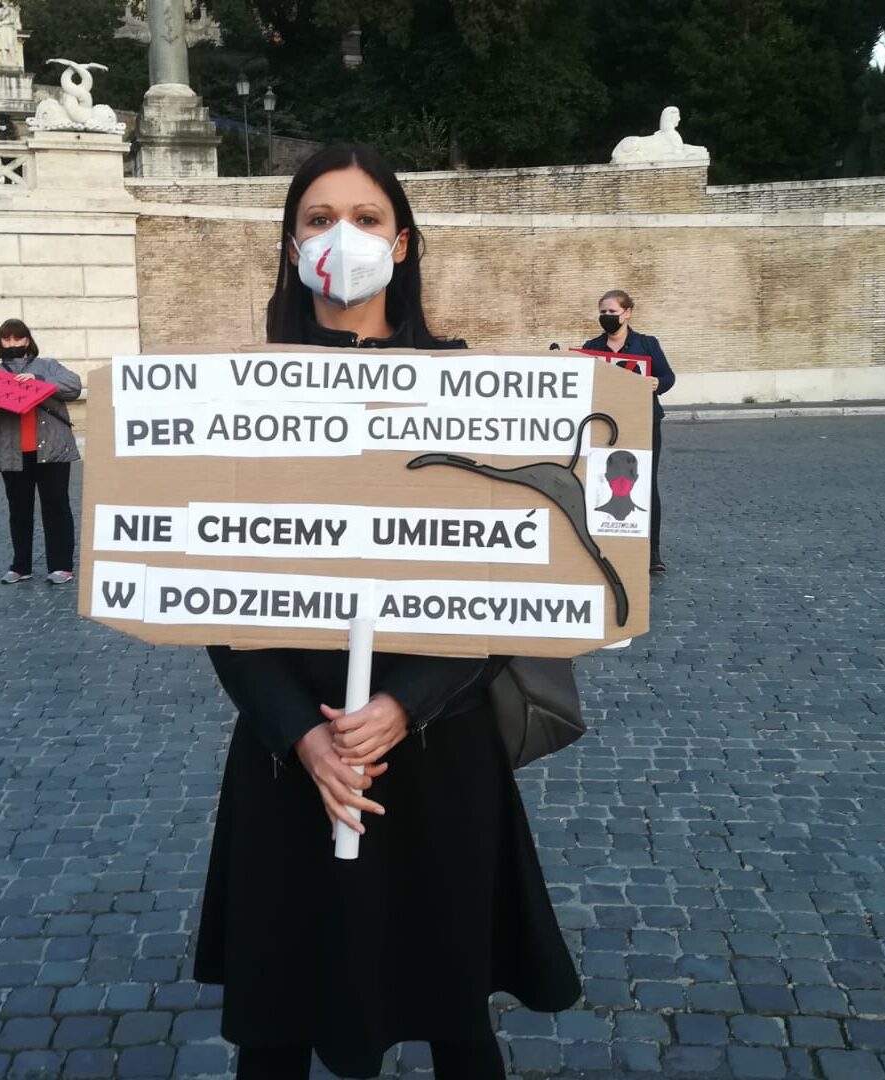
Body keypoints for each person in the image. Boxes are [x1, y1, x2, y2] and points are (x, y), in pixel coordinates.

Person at [194, 143, 581, 1080]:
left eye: (366, 220)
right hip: (292, 752)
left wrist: (401, 706)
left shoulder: (471, 389)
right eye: (320, 220)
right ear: (292, 248)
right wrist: (303, 736)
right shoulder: (236, 394)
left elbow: (506, 591)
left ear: (401, 244)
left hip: (436, 747)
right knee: (278, 1025)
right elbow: (206, 592)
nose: (343, 239)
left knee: (457, 1015)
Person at [0, 319, 81, 584]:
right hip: (12, 452)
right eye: (6, 340)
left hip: (52, 449)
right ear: (0, 343)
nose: (12, 344)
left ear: (27, 341)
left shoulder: (48, 366)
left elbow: (74, 386)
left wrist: (38, 381)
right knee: (18, 510)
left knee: (56, 507)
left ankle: (61, 565)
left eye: (17, 339)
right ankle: (21, 566)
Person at [582, 289, 675, 572]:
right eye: (603, 312)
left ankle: (651, 552)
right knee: (602, 482)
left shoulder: (646, 344)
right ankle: (607, 546)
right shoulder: (592, 346)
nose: (607, 317)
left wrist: (657, 383)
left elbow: (667, 376)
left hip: (643, 421)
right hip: (605, 423)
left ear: (628, 312)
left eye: (613, 312)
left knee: (645, 484)